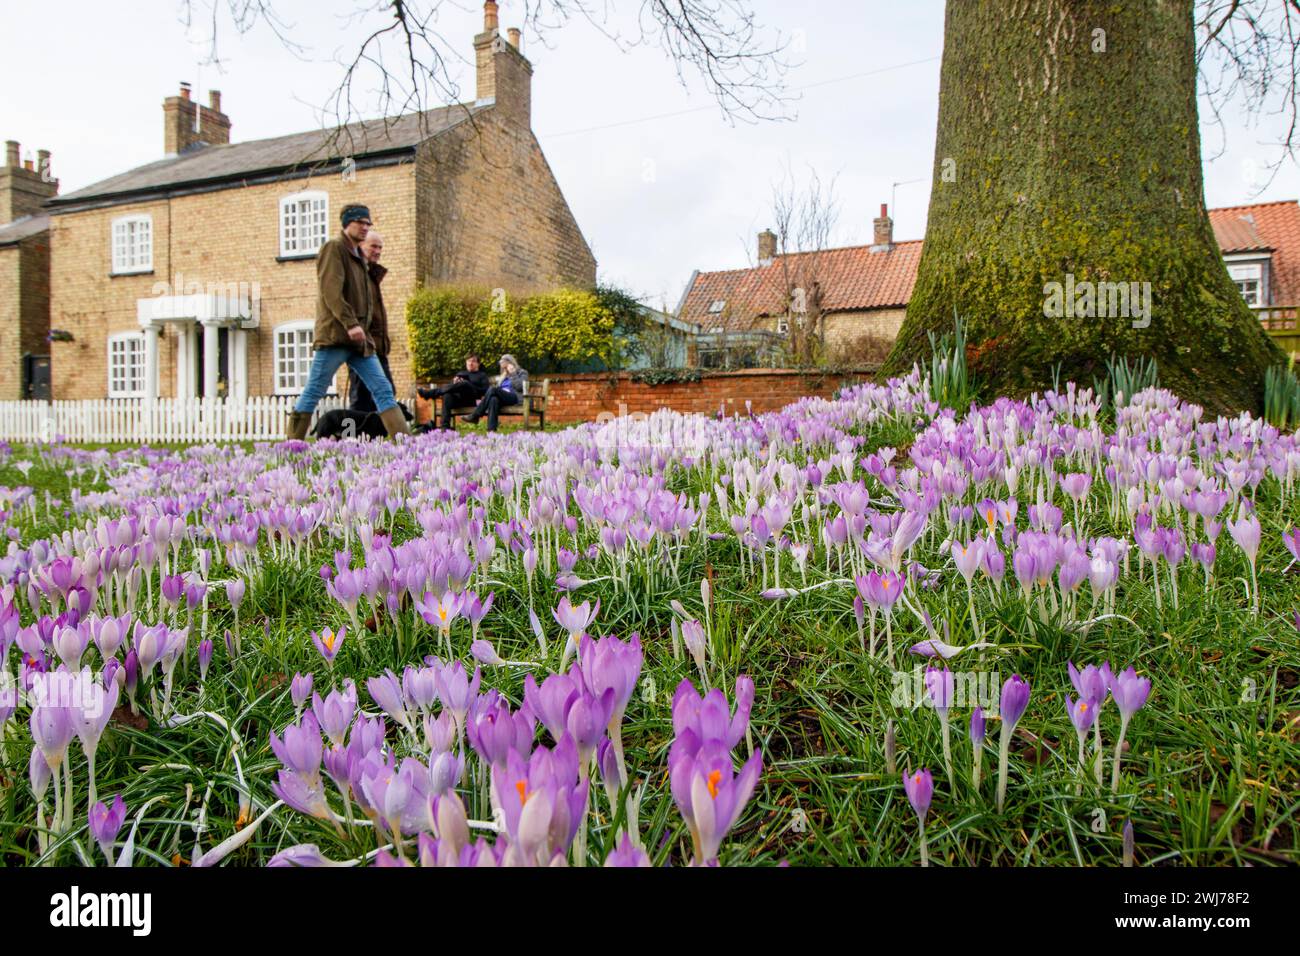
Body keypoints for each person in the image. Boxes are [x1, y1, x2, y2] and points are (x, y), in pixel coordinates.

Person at [285, 205, 409, 441]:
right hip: (336, 337)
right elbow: (331, 291)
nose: (365, 227)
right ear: (346, 223)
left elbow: (367, 300)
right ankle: (292, 445)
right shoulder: (334, 248)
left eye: (368, 223)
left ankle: (405, 444)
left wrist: (365, 331)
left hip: (360, 342)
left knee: (383, 389)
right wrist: (351, 323)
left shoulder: (359, 257)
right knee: (315, 390)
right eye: (360, 222)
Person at [347, 231, 396, 413]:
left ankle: (377, 438)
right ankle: (350, 438)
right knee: (361, 399)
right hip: (364, 348)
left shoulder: (372, 275)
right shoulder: (357, 274)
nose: (378, 251)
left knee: (386, 393)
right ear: (361, 247)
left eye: (380, 247)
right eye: (373, 246)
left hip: (378, 348)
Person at [418, 353, 490, 430]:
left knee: (465, 383)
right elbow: (449, 388)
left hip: (470, 401)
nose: (470, 363)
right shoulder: (461, 373)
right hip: (457, 401)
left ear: (478, 364)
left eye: (473, 361)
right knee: (447, 395)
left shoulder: (482, 375)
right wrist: (455, 382)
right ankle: (445, 428)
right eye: (468, 361)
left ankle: (430, 393)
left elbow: (485, 391)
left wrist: (469, 385)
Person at [463, 353, 527, 432]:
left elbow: (520, 387)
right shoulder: (503, 375)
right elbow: (499, 389)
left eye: (505, 365)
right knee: (493, 399)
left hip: (515, 398)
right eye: (502, 365)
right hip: (504, 398)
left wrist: (513, 373)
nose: (503, 367)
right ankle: (491, 430)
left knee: (493, 389)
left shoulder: (522, 372)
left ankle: (475, 415)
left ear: (511, 363)